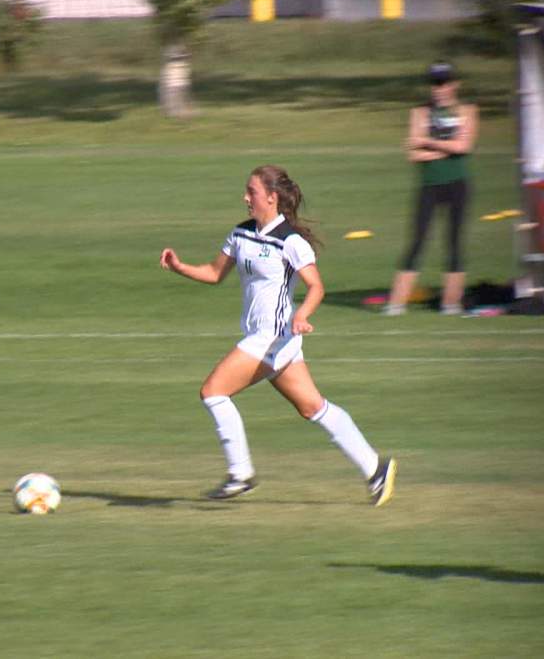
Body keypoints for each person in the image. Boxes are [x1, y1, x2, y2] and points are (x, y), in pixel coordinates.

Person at [159, 165, 397, 507]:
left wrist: (302, 314)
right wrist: (180, 267)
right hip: (268, 339)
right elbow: (214, 273)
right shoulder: (240, 234)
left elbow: (316, 287)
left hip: (271, 339)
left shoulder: (291, 242)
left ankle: (240, 473)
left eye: (251, 192)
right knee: (314, 408)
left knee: (213, 392)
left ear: (271, 198)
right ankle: (376, 469)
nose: (245, 198)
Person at [386, 60, 479, 315]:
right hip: (429, 185)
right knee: (417, 240)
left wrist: (427, 142)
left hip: (458, 183)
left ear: (454, 84)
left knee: (454, 242)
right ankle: (396, 303)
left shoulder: (467, 110)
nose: (439, 89)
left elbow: (464, 146)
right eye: (435, 84)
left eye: (444, 83)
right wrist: (446, 148)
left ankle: (451, 303)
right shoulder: (421, 112)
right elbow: (413, 154)